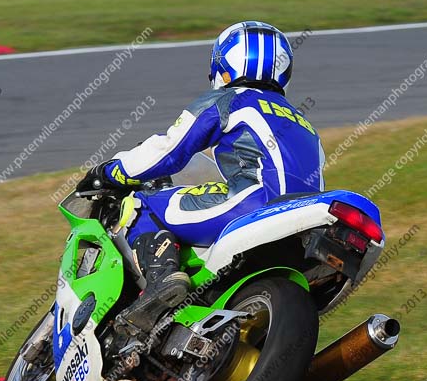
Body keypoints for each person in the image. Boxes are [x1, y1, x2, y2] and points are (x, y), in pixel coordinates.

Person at [77, 21, 325, 330]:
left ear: (224, 65)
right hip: (304, 226)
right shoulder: (305, 125)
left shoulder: (230, 100)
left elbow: (168, 153)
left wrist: (112, 171)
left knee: (141, 204)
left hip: (253, 204)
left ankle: (162, 280)